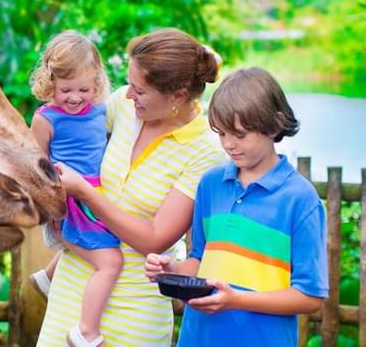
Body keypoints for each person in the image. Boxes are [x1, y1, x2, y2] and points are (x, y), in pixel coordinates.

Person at [37, 28, 224, 347]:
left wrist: (84, 192)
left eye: (139, 90)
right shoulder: (124, 107)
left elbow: (153, 238)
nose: (127, 94)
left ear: (177, 96)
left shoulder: (205, 151)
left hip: (137, 306)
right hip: (73, 291)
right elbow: (73, 135)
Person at [145, 67, 328, 346]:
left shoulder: (300, 200)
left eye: (240, 135)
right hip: (198, 338)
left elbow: (310, 296)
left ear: (275, 125)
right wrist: (174, 269)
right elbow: (201, 260)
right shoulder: (210, 184)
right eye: (222, 134)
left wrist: (236, 300)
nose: (229, 145)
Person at [27, 30, 122, 346]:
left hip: (94, 195)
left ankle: (48, 276)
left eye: (84, 88)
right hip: (71, 200)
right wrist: (50, 207)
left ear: (96, 83)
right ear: (49, 82)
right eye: (66, 89)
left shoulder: (100, 111)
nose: (75, 97)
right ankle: (86, 332)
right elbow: (35, 166)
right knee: (110, 262)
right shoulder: (46, 118)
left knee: (101, 245)